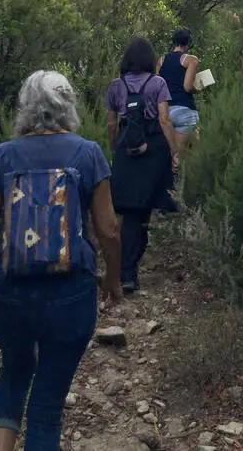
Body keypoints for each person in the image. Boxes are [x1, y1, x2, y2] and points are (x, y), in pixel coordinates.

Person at [0, 71, 122, 451]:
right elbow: (108, 230)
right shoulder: (88, 152)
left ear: (25, 108)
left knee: (13, 374)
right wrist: (113, 279)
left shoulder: (4, 155)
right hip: (70, 296)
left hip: (12, 295)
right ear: (68, 106)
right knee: (45, 405)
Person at [106, 37, 177, 294]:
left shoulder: (115, 86)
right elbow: (164, 120)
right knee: (145, 210)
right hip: (153, 150)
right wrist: (174, 152)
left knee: (130, 213)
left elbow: (111, 124)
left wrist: (115, 149)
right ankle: (130, 269)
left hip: (127, 150)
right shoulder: (158, 83)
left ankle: (126, 272)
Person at [158, 27, 200, 153]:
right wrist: (197, 89)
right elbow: (187, 87)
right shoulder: (191, 60)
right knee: (186, 155)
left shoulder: (161, 60)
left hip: (165, 111)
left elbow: (157, 86)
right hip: (184, 109)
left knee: (170, 154)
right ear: (188, 43)